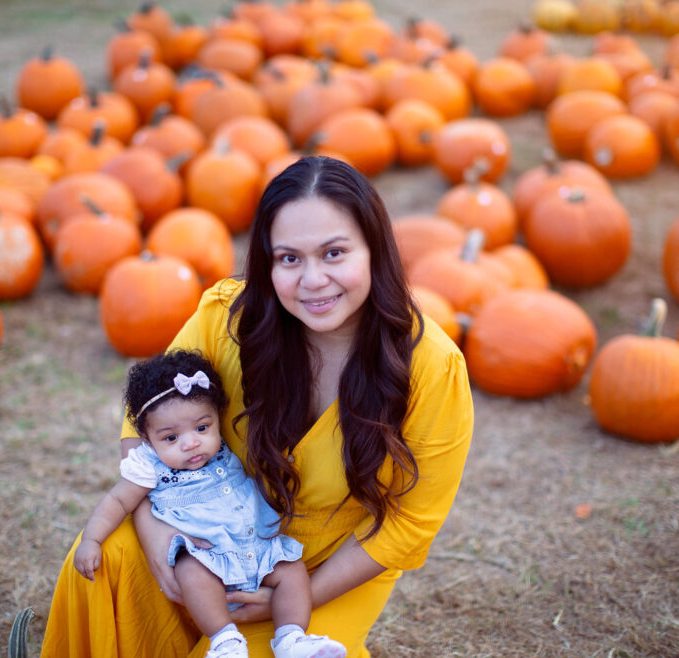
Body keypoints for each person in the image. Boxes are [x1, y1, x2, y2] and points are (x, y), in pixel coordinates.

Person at [41, 156, 474, 657]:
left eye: (334, 253)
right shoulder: (228, 320)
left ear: (376, 250)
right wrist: (156, 533)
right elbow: (142, 421)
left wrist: (292, 599)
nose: (312, 280)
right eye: (289, 258)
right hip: (204, 534)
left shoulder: (430, 368)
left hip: (328, 563)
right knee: (104, 562)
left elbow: (410, 525)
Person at [72, 349, 347, 658]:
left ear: (217, 417)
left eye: (201, 428)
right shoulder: (149, 467)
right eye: (171, 438)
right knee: (191, 573)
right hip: (205, 554)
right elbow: (117, 501)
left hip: (256, 545)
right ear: (147, 439)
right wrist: (91, 540)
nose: (191, 443)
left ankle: (291, 638)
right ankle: (225, 641)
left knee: (292, 571)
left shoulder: (226, 441)